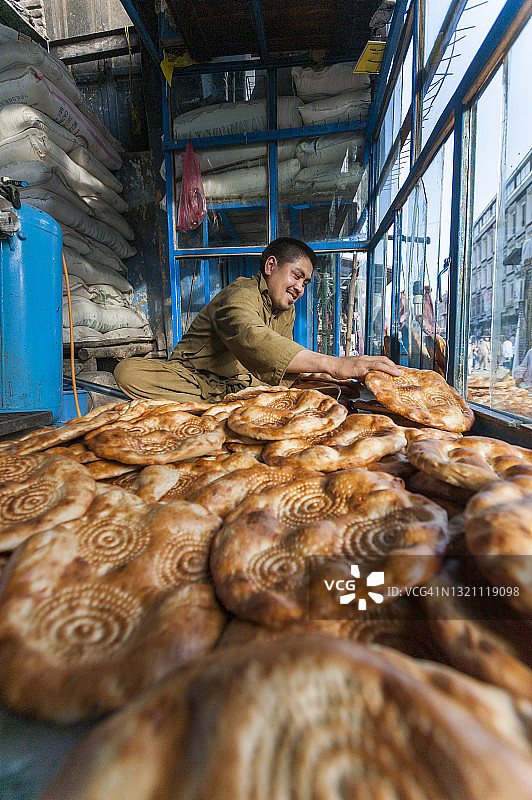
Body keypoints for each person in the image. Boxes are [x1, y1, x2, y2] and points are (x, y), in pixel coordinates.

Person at [114, 237, 400, 403]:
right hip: (193, 379)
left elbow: (280, 364)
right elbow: (255, 340)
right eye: (296, 276)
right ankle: (225, 402)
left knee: (325, 392)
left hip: (242, 384)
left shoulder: (285, 310)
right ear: (271, 265)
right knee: (127, 372)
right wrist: (335, 364)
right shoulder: (238, 295)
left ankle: (230, 401)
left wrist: (324, 379)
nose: (300, 288)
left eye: (305, 283)